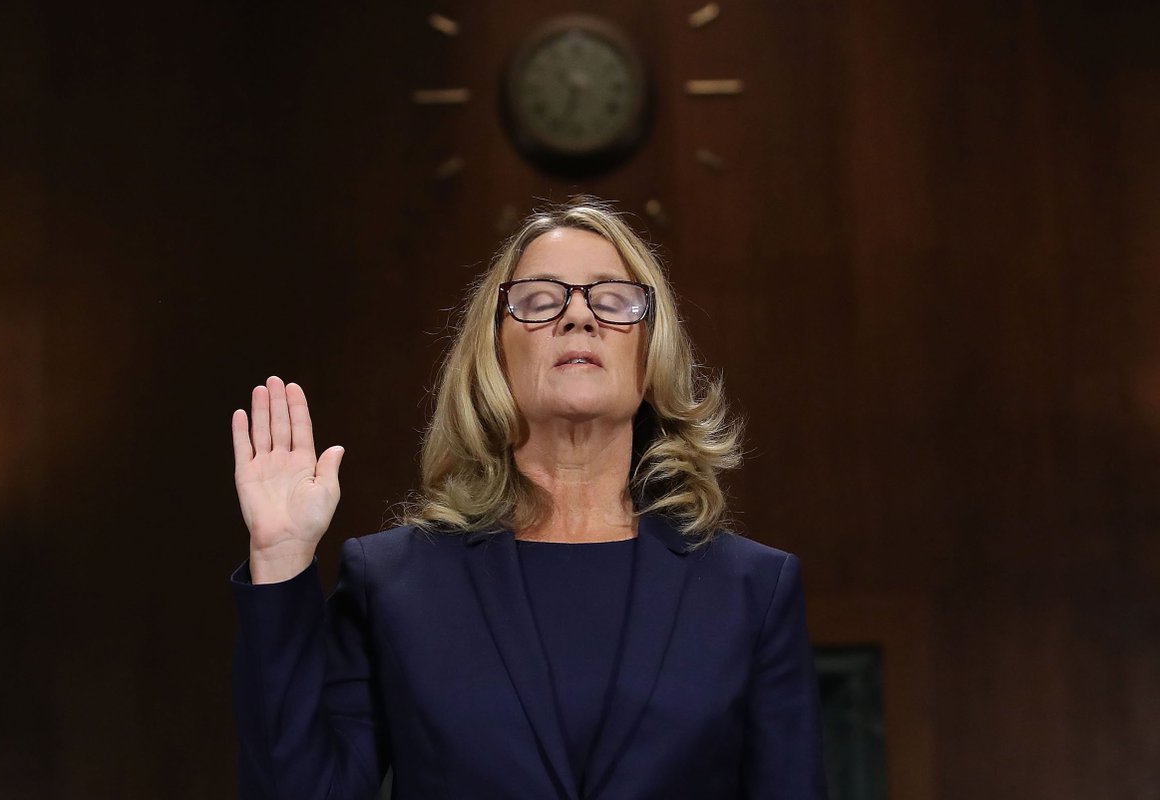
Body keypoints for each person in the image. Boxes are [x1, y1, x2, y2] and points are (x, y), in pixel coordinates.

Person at [230, 199, 827, 799]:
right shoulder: (392, 582)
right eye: (540, 301)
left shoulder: (752, 591)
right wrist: (280, 559)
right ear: (495, 353)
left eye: (613, 300)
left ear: (650, 356)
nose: (579, 317)